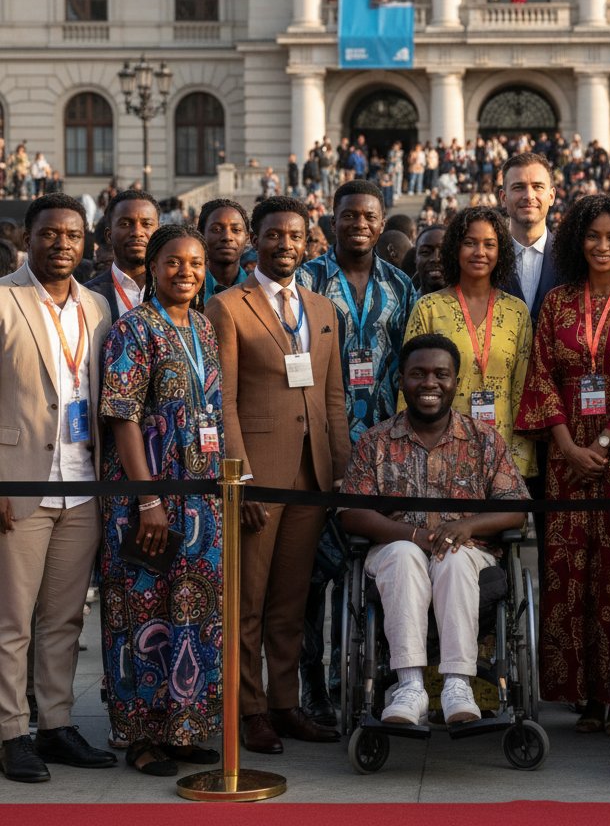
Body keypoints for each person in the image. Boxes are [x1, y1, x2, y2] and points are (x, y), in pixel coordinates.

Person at [516, 194, 610, 733]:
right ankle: (573, 691)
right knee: (563, 569)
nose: (603, 246)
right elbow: (539, 377)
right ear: (577, 240)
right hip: (563, 457)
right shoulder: (557, 301)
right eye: (593, 236)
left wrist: (602, 442)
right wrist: (565, 445)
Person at [206, 197, 350, 755]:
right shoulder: (227, 307)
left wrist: (337, 474)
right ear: (255, 242)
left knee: (290, 603)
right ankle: (250, 710)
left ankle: (286, 704)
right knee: (248, 601)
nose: (284, 245)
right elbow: (225, 405)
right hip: (257, 480)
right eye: (273, 235)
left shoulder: (321, 309)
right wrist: (237, 480)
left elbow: (334, 399)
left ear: (308, 242)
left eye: (295, 236)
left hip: (312, 478)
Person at [341, 334, 528, 726]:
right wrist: (407, 535)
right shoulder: (375, 441)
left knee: (454, 557)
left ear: (456, 382)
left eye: (441, 374)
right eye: (418, 374)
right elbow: (351, 513)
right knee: (408, 555)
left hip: (469, 556)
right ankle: (410, 686)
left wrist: (467, 525)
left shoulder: (483, 439)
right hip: (395, 553)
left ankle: (458, 682)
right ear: (401, 381)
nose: (430, 383)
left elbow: (517, 509)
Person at [98, 224, 224, 777]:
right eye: (174, 262)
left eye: (195, 263)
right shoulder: (133, 329)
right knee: (141, 612)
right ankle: (140, 736)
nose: (187, 273)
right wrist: (148, 499)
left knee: (193, 614)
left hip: (201, 501)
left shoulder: (203, 326)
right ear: (152, 266)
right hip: (149, 496)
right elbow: (122, 417)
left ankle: (184, 728)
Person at [0, 194, 114, 784]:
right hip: (18, 483)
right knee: (12, 618)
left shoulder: (96, 306)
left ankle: (57, 723)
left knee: (66, 618)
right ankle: (11, 731)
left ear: (86, 241)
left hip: (81, 483)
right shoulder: (3, 299)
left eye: (73, 235)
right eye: (50, 234)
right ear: (28, 237)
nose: (62, 244)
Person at [295, 179, 417, 721]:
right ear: (332, 219)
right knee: (312, 573)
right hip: (318, 444)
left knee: (371, 564)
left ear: (381, 219)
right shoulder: (308, 279)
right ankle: (313, 686)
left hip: (382, 451)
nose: (359, 225)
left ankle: (362, 679)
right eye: (349, 216)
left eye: (369, 216)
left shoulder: (400, 284)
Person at [404, 206, 535, 479]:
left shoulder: (516, 311)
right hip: (438, 454)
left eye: (490, 244)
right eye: (470, 243)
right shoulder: (428, 307)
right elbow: (410, 387)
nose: (480, 252)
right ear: (455, 248)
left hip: (502, 455)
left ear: (502, 252)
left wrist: (517, 464)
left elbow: (523, 391)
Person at [499, 153, 563, 324]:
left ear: (551, 196)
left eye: (537, 187)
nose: (529, 196)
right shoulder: (487, 258)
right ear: (503, 198)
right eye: (518, 187)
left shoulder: (571, 257)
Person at [84, 188, 159, 317]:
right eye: (125, 224)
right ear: (109, 235)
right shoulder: (87, 296)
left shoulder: (175, 290)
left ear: (159, 233)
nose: (137, 232)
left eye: (146, 224)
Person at [198, 198, 250, 304]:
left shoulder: (260, 290)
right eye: (216, 229)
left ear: (247, 237)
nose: (227, 237)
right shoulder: (189, 288)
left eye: (236, 230)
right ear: (200, 234)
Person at [411, 225, 445, 295]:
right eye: (425, 252)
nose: (435, 259)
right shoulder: (403, 303)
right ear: (415, 257)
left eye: (444, 252)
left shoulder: (471, 303)